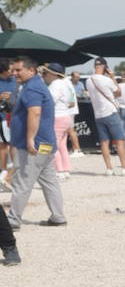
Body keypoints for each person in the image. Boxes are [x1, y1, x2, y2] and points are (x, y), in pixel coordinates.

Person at [7, 56, 67, 228]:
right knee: (49, 182)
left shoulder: (32, 88)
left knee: (22, 182)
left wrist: (30, 139)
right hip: (45, 144)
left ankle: (13, 220)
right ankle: (58, 216)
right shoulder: (35, 86)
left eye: (18, 70)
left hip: (34, 146)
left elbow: (35, 112)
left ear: (31, 70)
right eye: (13, 70)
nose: (15, 73)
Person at [86, 60, 125, 175]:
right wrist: (113, 77)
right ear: (104, 67)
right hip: (110, 112)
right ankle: (124, 168)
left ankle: (109, 169)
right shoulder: (107, 80)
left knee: (104, 142)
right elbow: (118, 92)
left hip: (98, 114)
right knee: (119, 140)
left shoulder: (89, 80)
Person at [44, 62, 73, 178]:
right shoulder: (65, 83)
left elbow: (51, 101)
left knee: (53, 145)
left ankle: (59, 170)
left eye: (47, 72)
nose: (45, 75)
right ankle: (66, 169)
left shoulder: (55, 84)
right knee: (62, 145)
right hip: (66, 116)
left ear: (52, 73)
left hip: (57, 117)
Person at [67, 72, 86, 156]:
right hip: (70, 110)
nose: (78, 79)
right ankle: (74, 149)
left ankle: (77, 149)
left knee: (71, 130)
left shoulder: (68, 86)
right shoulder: (68, 84)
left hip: (69, 111)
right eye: (76, 77)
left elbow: (71, 102)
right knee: (68, 130)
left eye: (79, 77)